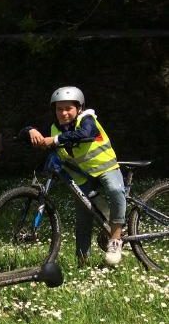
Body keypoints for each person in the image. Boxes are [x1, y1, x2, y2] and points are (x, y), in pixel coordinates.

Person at [22, 86, 126, 267]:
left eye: (68, 108)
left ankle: (116, 240)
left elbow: (85, 133)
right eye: (59, 109)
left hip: (105, 168)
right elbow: (29, 129)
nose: (63, 113)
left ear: (79, 108)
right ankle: (82, 263)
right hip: (82, 176)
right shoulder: (55, 126)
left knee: (115, 190)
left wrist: (54, 140)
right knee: (84, 215)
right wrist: (30, 130)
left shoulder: (87, 119)